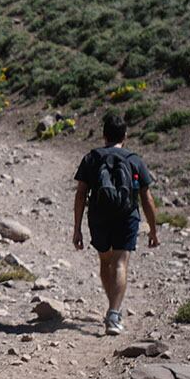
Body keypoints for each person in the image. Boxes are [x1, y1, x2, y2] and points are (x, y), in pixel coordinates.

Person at [73, 112, 159, 335]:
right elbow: (146, 198)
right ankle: (114, 313)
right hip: (126, 216)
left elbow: (81, 194)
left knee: (105, 261)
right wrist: (153, 230)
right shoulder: (134, 159)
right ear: (126, 135)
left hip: (99, 217)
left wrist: (77, 229)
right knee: (120, 263)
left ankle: (112, 307)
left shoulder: (92, 158)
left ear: (104, 135)